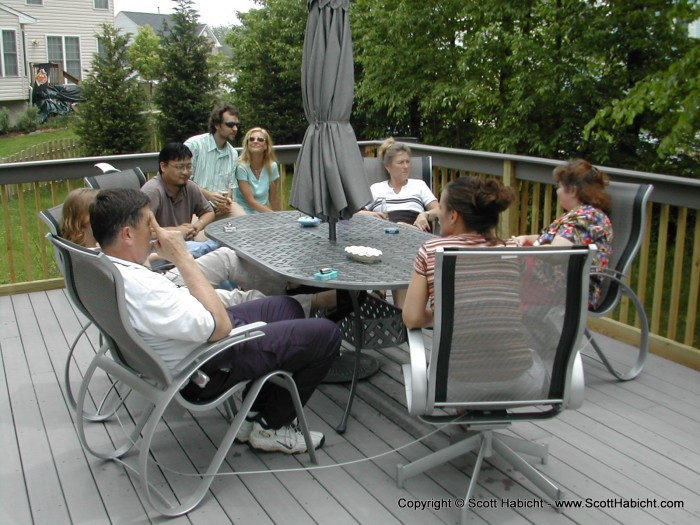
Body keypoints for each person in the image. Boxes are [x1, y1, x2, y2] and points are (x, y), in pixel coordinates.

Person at [89, 188, 341, 454]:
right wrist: (183, 257)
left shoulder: (106, 268)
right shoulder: (146, 290)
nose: (156, 231)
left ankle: (251, 415)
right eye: (149, 224)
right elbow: (221, 328)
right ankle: (272, 427)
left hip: (193, 340)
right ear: (127, 234)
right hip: (206, 368)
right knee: (326, 333)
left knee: (286, 307)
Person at [60, 187, 265, 307]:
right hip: (167, 292)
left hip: (160, 281)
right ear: (82, 220)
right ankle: (281, 304)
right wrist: (175, 257)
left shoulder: (88, 256)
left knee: (226, 256)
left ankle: (278, 292)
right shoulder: (98, 259)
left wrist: (157, 255)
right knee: (239, 296)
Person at [403, 176, 516, 329]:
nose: (438, 214)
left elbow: (412, 318)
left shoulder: (432, 251)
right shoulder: (512, 250)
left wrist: (442, 316)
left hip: (458, 353)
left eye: (441, 208)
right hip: (513, 351)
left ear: (453, 216)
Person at [513, 159, 613, 308]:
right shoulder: (580, 214)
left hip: (568, 293)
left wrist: (521, 252)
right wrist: (526, 238)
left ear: (572, 190)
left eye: (558, 186)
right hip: (556, 286)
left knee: (501, 274)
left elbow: (557, 252)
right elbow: (553, 239)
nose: (556, 191)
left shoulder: (586, 218)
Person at [357, 138, 438, 232]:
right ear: (388, 166)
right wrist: (368, 214)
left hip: (414, 233)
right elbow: (356, 214)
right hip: (383, 233)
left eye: (408, 162)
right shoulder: (376, 188)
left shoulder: (419, 185)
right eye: (401, 162)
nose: (406, 166)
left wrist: (425, 214)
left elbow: (439, 210)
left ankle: (405, 229)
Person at [141, 142, 216, 244]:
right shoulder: (152, 192)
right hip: (158, 250)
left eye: (189, 167)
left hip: (185, 245)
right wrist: (177, 231)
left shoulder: (190, 187)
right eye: (180, 167)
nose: (185, 172)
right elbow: (140, 232)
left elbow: (208, 212)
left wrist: (197, 226)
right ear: (163, 166)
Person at [185, 103, 245, 217]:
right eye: (230, 125)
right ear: (217, 125)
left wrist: (226, 200)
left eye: (237, 125)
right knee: (196, 234)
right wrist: (209, 195)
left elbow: (231, 185)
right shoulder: (194, 146)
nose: (235, 129)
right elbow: (183, 181)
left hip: (222, 207)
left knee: (242, 221)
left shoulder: (232, 153)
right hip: (194, 207)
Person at [233, 127, 280, 214]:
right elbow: (251, 202)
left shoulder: (272, 166)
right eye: (251, 139)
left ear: (266, 145)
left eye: (260, 139)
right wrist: (274, 216)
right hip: (242, 213)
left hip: (263, 213)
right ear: (247, 144)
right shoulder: (241, 167)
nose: (255, 141)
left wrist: (281, 218)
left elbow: (273, 198)